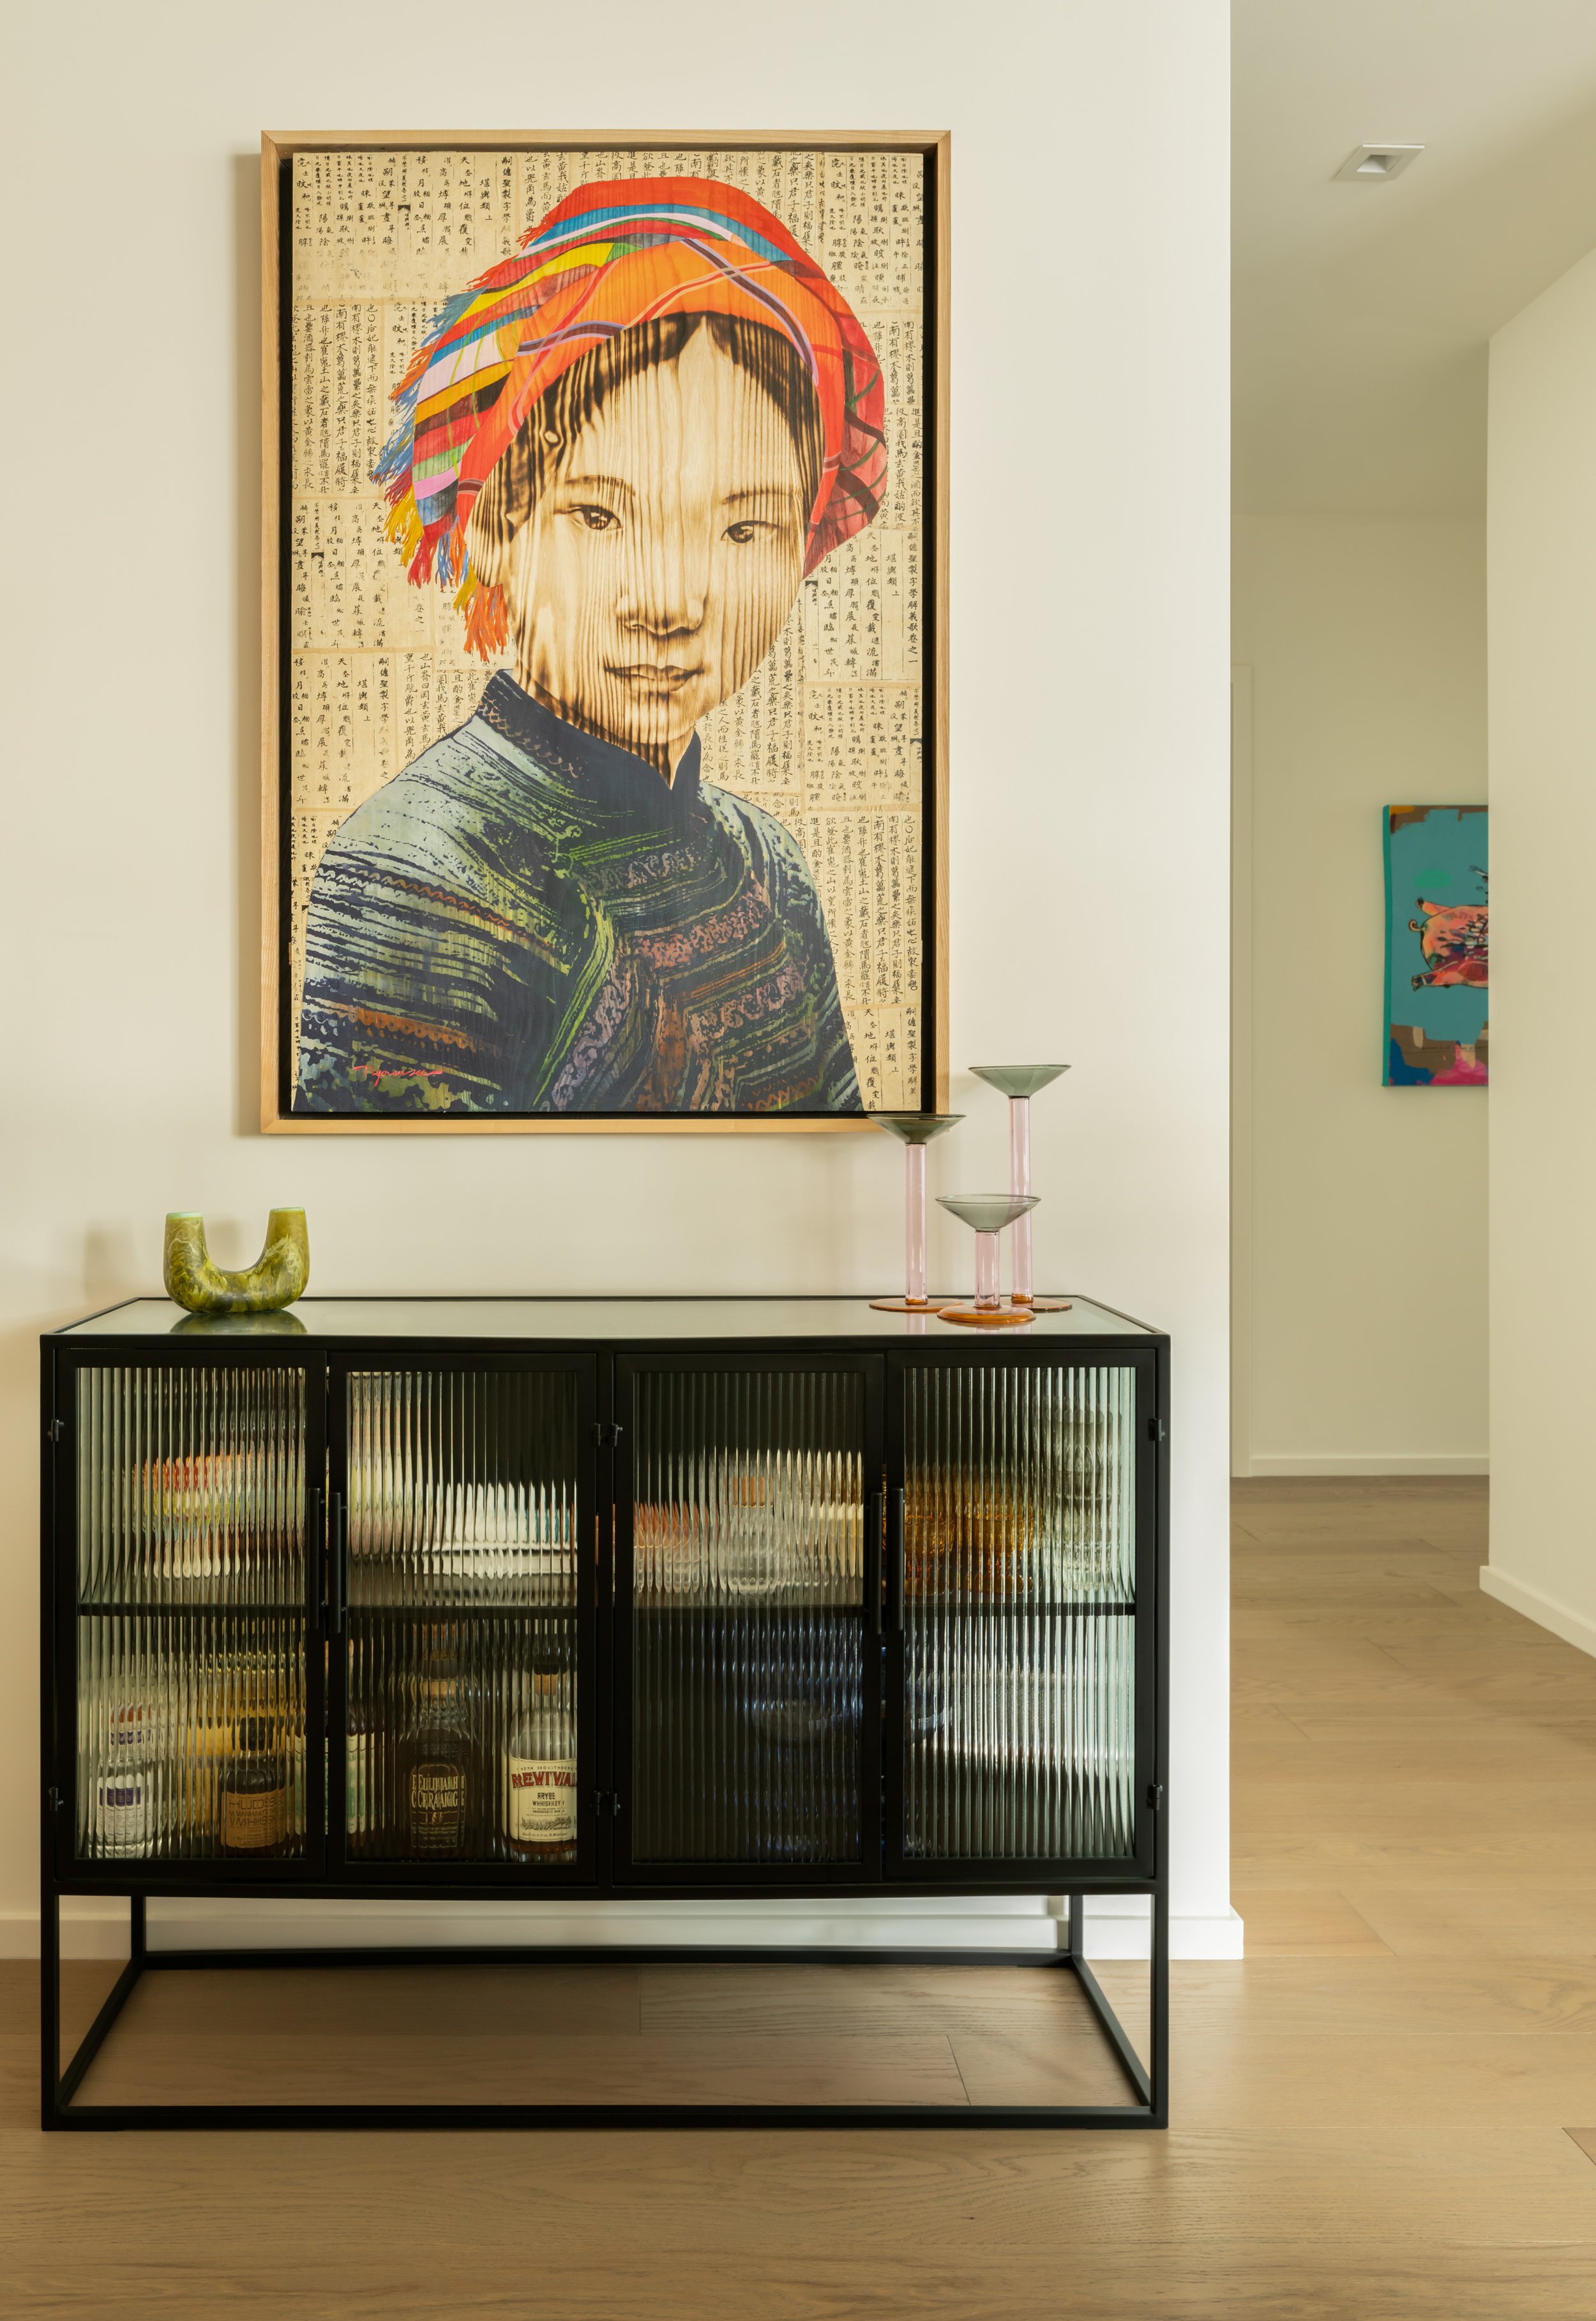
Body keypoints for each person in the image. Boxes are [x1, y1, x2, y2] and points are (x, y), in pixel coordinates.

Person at [294, 177, 887, 1116]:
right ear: (497, 526)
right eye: (601, 515)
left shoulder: (766, 860)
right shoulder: (425, 863)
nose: (669, 602)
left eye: (743, 532)